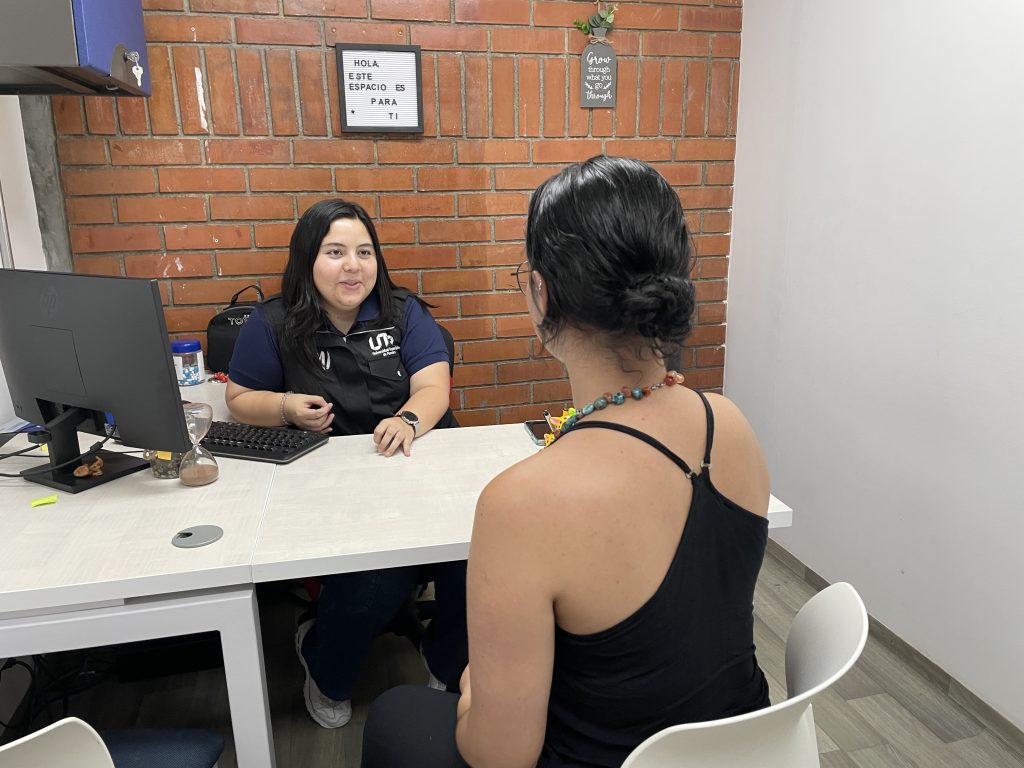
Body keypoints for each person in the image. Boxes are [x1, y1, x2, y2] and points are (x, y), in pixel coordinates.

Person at [361, 156, 772, 767]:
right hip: (748, 749)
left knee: (396, 713)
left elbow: (499, 756)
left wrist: (473, 691)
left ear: (541, 292)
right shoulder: (728, 423)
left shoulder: (521, 505)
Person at [226, 199, 466, 729]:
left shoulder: (403, 312)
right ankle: (324, 665)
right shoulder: (273, 322)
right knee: (374, 581)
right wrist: (286, 407)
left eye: (364, 252)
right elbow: (239, 399)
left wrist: (408, 419)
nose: (352, 266)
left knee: (477, 563)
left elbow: (434, 386)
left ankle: (446, 661)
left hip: (415, 467)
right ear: (307, 259)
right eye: (335, 252)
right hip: (333, 488)